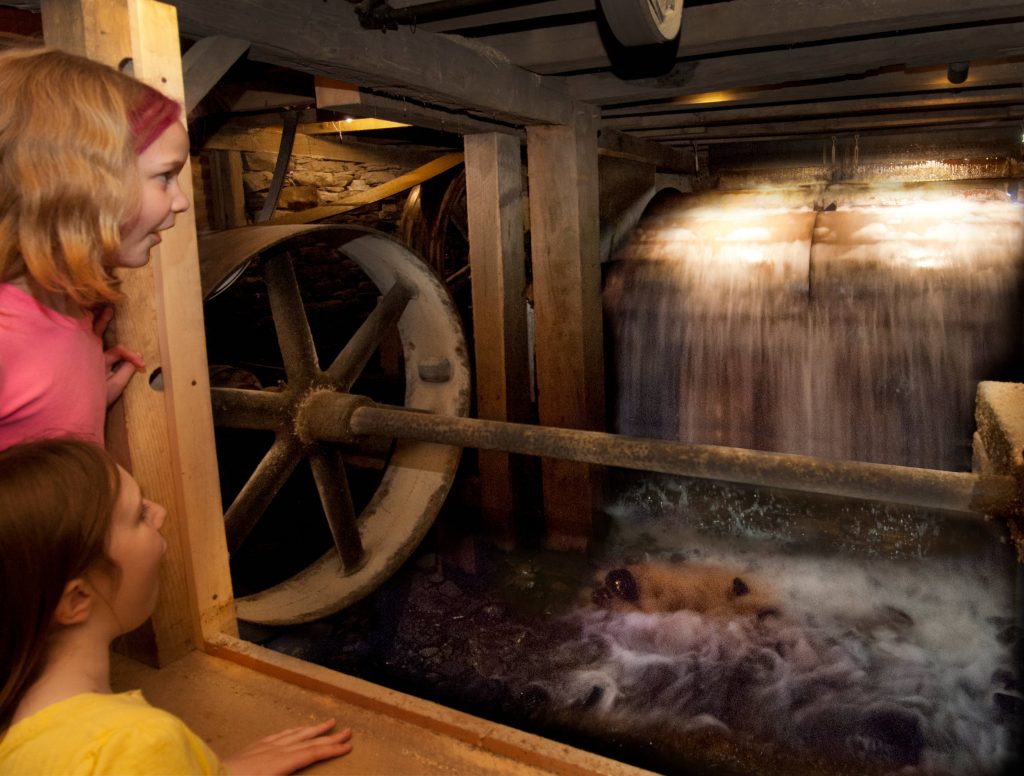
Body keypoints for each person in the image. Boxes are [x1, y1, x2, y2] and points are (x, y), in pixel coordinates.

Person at [0, 438, 354, 774]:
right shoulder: (137, 745)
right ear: (76, 599)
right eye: (139, 514)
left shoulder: (21, 727)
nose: (161, 513)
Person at [0, 45, 191, 450]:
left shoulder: (62, 305)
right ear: (80, 186)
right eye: (164, 177)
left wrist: (78, 393)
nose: (181, 201)